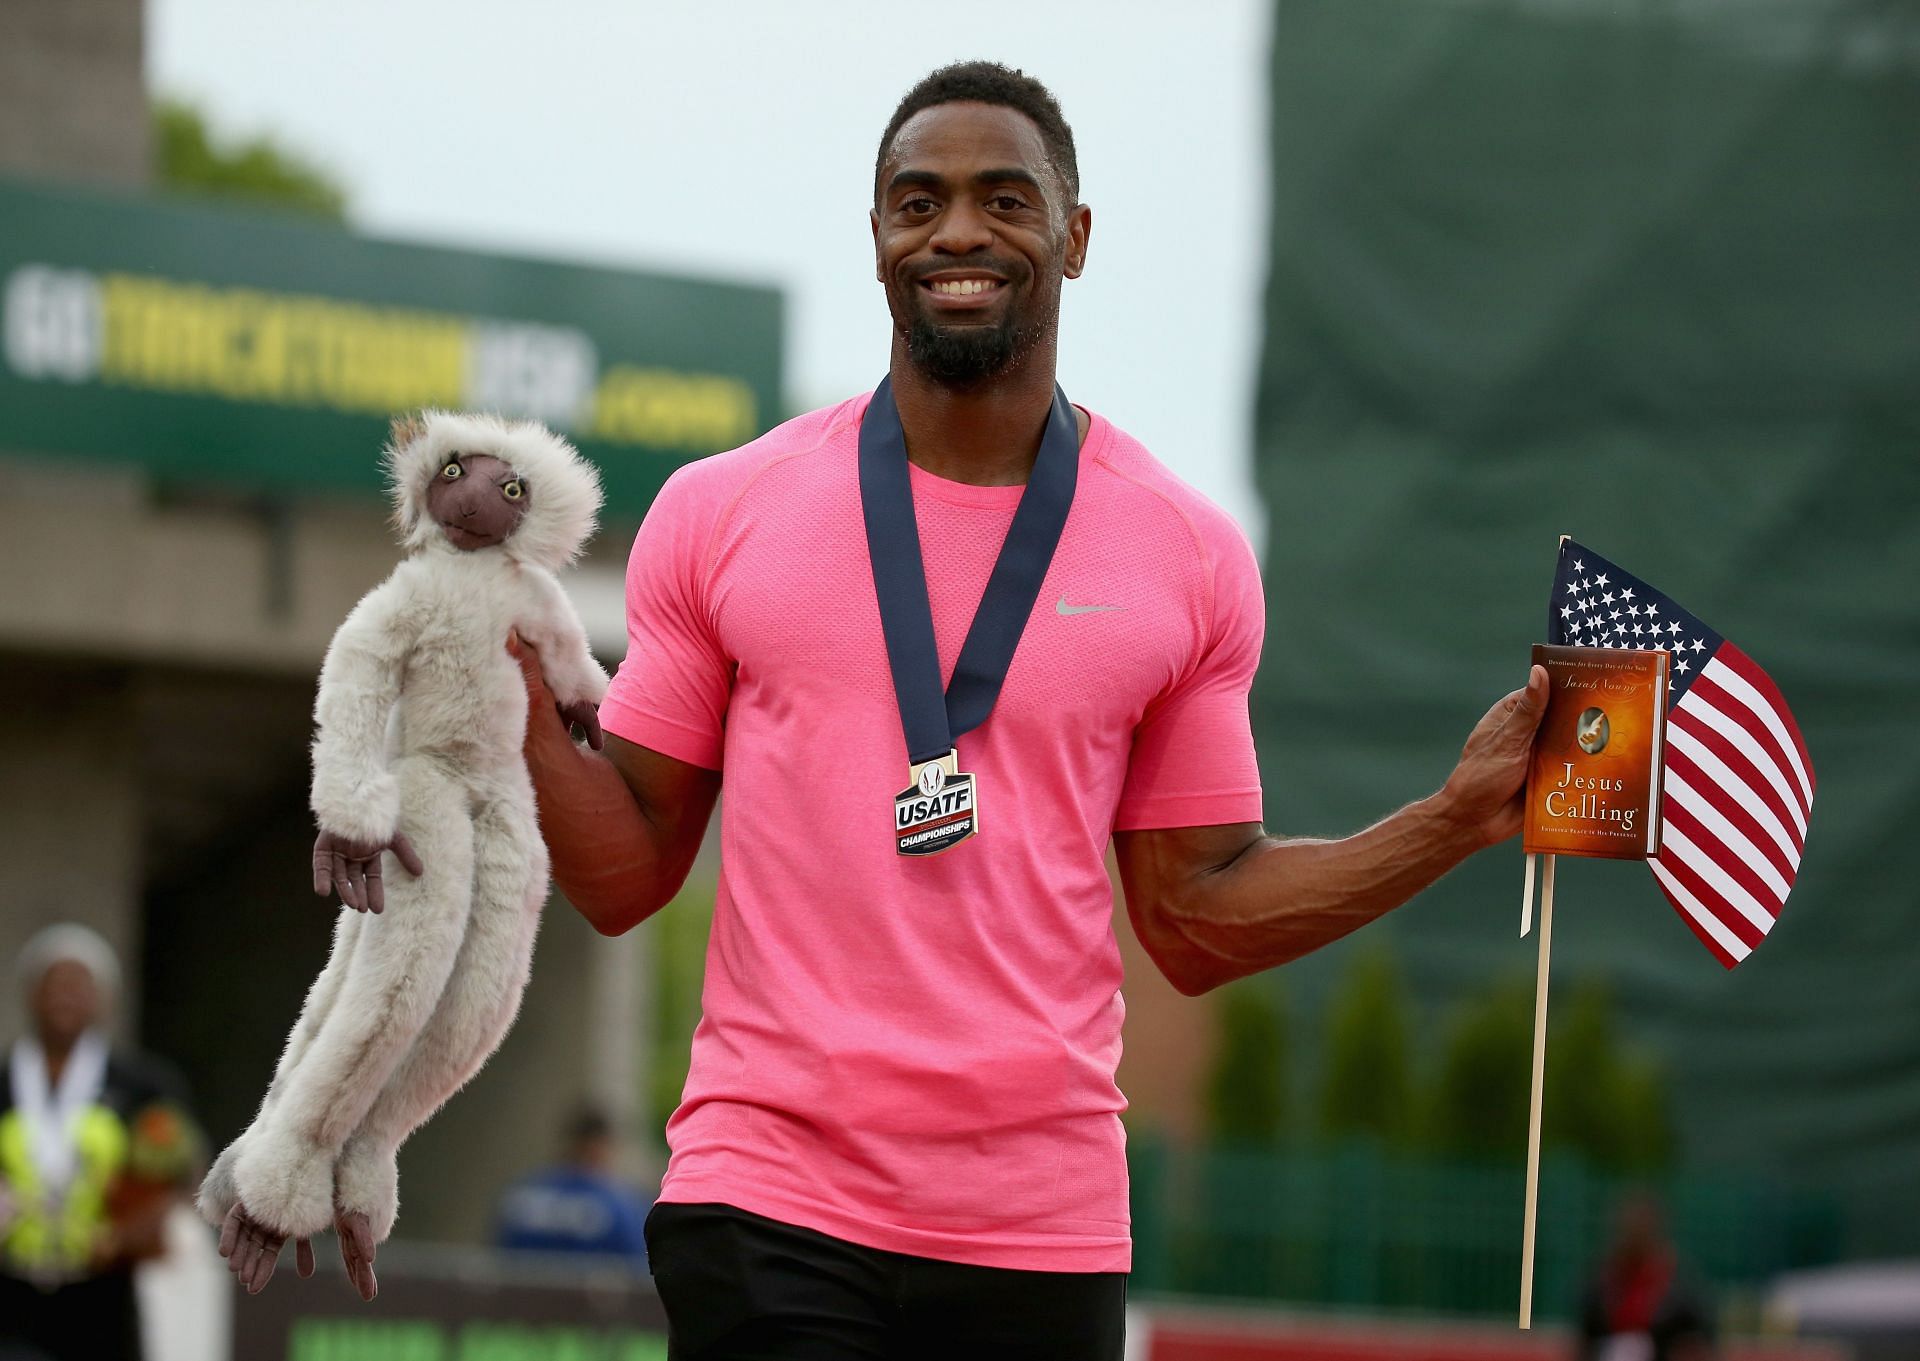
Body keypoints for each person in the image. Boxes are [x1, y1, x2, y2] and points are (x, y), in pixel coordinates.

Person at [455, 61, 1541, 1360]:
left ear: (1074, 237)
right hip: (769, 1196)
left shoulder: (1184, 553)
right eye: (917, 202)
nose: (957, 232)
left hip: (1041, 1224)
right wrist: (513, 697)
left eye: (1003, 199)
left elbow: (1192, 920)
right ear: (876, 241)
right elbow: (626, 870)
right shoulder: (720, 513)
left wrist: (1455, 819)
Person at [0, 925, 204, 1361]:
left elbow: (184, 1175)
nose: (64, 995)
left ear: (103, 997)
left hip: (104, 1293)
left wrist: (132, 1229)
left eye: (78, 983)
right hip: (10, 1292)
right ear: (28, 993)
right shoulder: (4, 1080)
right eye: (52, 982)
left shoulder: (144, 1085)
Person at [494, 1105, 651, 1267]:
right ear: (600, 1145)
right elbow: (637, 1269)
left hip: (522, 1290)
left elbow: (499, 1256)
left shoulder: (522, 1197)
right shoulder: (619, 1206)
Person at [1577, 1193, 1716, 1361]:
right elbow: (1585, 1343)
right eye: (1630, 1227)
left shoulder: (1679, 1290)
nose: (1635, 1233)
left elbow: (1698, 1342)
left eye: (1642, 1226)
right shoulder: (1601, 1287)